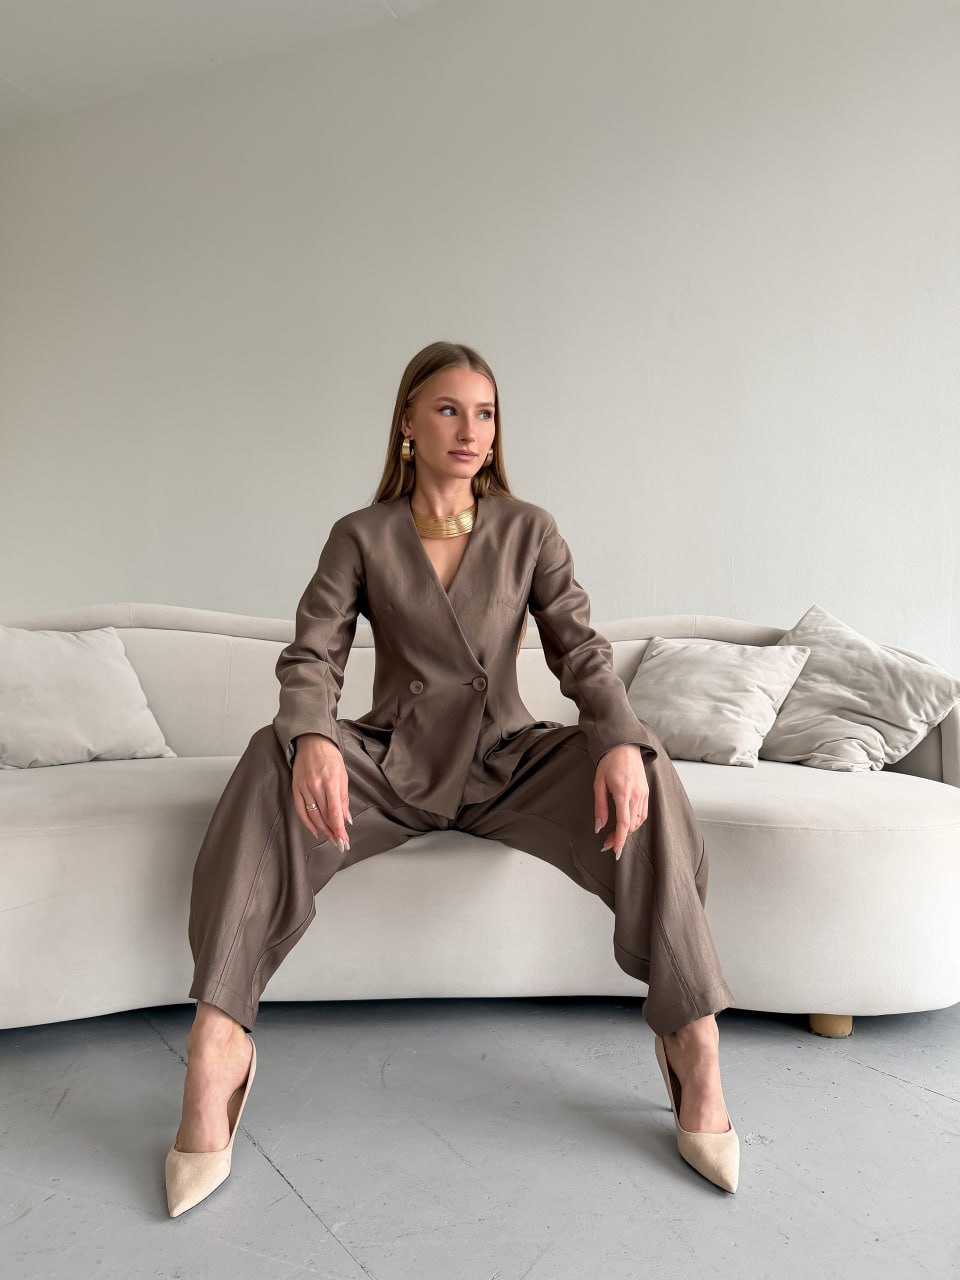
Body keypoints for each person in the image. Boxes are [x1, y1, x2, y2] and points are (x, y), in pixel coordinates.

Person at [164, 340, 740, 1216]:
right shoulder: (361, 535)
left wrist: (620, 736)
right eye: (447, 410)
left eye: (485, 413)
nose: (470, 430)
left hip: (507, 762)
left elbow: (580, 651)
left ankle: (692, 1037)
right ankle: (218, 1041)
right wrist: (313, 733)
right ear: (408, 422)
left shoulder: (528, 529)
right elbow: (313, 654)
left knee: (645, 763)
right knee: (269, 753)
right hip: (393, 763)